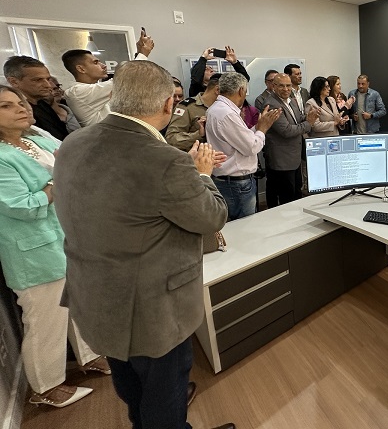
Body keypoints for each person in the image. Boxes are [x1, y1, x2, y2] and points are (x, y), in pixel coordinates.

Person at [54, 61, 234, 429]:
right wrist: (201, 174)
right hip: (153, 310)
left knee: (130, 384)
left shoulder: (74, 142)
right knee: (164, 395)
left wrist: (182, 172)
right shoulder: (165, 160)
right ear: (169, 103)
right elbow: (211, 217)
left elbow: (125, 198)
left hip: (97, 295)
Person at [0, 85, 108, 408]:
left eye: (20, 102)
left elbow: (79, 161)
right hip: (33, 251)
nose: (21, 108)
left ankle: (89, 356)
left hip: (67, 236)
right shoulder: (2, 158)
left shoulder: (37, 139)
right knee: (46, 320)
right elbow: (22, 205)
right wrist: (59, 180)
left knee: (79, 303)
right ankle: (46, 387)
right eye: (6, 106)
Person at [205, 72, 281, 220]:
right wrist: (263, 129)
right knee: (245, 226)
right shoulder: (227, 114)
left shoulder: (216, 109)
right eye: (245, 91)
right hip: (236, 184)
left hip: (228, 180)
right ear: (241, 90)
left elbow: (240, 139)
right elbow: (251, 147)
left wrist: (257, 127)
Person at [61, 29, 153, 126]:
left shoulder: (93, 89)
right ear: (81, 69)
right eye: (95, 62)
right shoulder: (76, 92)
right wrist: (143, 54)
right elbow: (125, 79)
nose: (103, 65)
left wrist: (139, 52)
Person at [263, 73, 318, 206]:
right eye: (281, 86)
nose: (286, 89)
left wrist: (308, 116)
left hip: (294, 158)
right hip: (282, 160)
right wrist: (309, 123)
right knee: (287, 199)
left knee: (296, 193)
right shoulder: (272, 104)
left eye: (288, 86)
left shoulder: (290, 100)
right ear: (274, 86)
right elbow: (286, 131)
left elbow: (297, 119)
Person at [3, 56, 68, 141]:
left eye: (48, 79)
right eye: (38, 80)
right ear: (14, 82)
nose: (48, 85)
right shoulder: (16, 114)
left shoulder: (43, 104)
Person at [165, 73, 222, 152]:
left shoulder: (223, 109)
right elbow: (171, 139)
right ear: (217, 90)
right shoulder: (187, 107)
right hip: (195, 156)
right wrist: (199, 134)